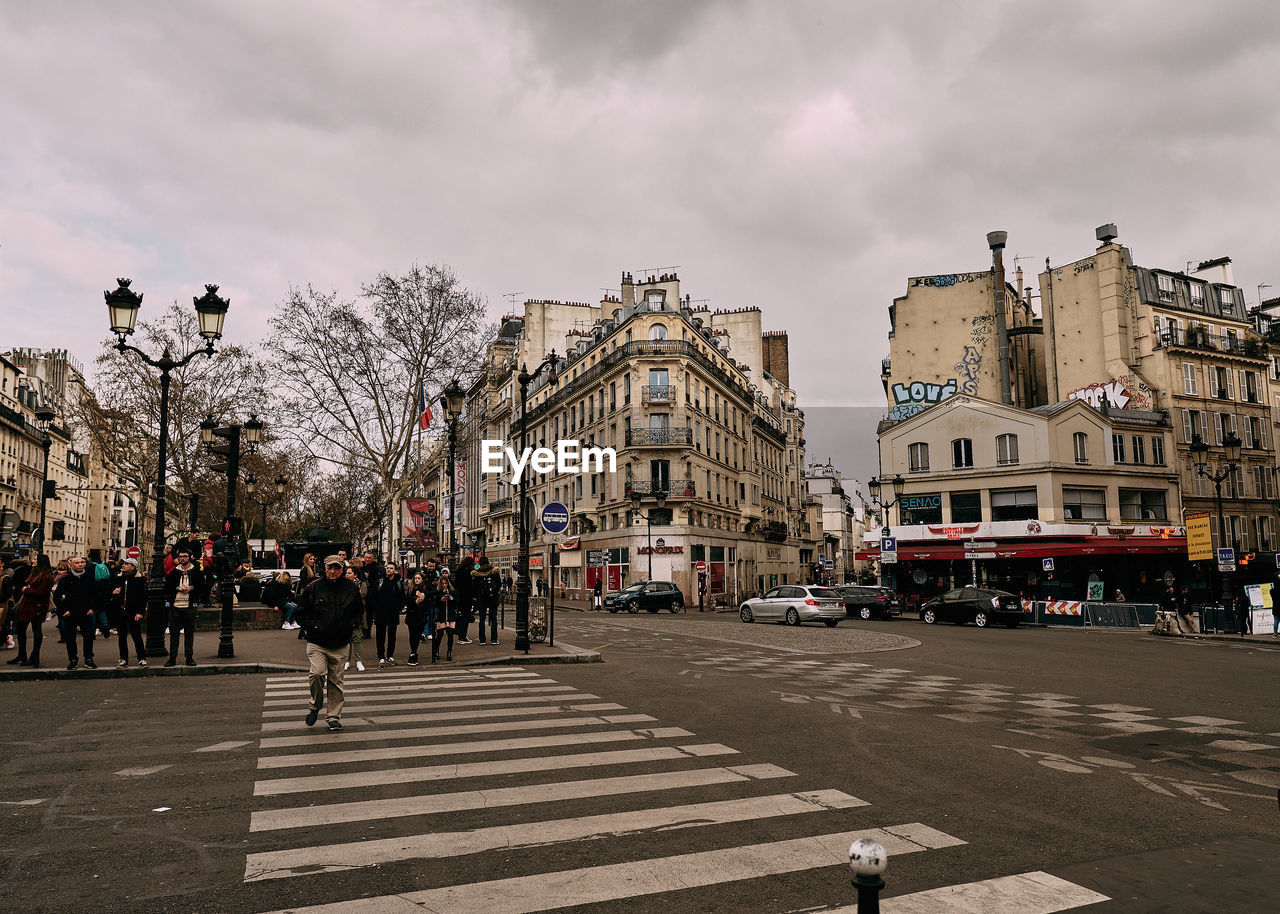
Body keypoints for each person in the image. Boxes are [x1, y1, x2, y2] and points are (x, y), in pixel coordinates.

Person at [293, 555, 363, 731]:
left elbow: (358, 611)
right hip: (318, 641)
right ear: (325, 567)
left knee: (336, 682)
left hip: (340, 641)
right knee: (316, 674)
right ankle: (315, 706)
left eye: (337, 568)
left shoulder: (351, 588)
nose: (333, 571)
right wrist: (312, 626)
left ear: (342, 569)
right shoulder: (313, 587)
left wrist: (352, 625)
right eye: (330, 568)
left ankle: (333, 716)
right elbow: (301, 613)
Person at [52, 555, 100, 670]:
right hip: (70, 612)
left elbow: (96, 595)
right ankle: (73, 659)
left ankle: (88, 659)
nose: (80, 565)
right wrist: (63, 610)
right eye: (77, 563)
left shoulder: (89, 578)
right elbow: (57, 596)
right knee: (70, 637)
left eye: (82, 562)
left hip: (86, 612)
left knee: (88, 636)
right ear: (71, 565)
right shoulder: (66, 579)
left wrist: (93, 608)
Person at [164, 549, 205, 667]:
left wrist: (191, 588)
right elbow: (167, 587)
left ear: (190, 557)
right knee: (174, 634)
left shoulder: (196, 572)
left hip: (189, 606)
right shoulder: (173, 572)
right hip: (175, 606)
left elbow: (201, 587)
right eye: (180, 557)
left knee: (189, 633)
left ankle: (189, 658)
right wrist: (178, 588)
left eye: (184, 556)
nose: (182, 558)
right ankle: (172, 658)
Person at [11, 554, 52, 667]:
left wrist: (27, 590)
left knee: (36, 630)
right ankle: (22, 655)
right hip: (28, 605)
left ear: (40, 561)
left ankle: (34, 656)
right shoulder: (35, 572)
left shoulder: (46, 575)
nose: (33, 560)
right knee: (21, 629)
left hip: (36, 606)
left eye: (35, 559)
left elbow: (43, 592)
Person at [110, 559, 148, 668]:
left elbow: (143, 597)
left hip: (133, 611)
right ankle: (123, 659)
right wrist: (113, 592)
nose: (123, 565)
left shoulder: (140, 579)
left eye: (126, 564)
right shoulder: (118, 577)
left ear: (133, 567)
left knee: (136, 635)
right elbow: (110, 591)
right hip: (120, 611)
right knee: (121, 637)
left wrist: (140, 612)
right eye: (124, 563)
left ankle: (141, 658)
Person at [369, 561, 406, 666]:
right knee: (380, 636)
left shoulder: (398, 583)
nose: (388, 570)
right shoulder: (379, 582)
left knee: (392, 635)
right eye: (387, 568)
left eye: (390, 568)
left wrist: (398, 608)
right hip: (381, 613)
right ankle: (381, 656)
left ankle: (390, 655)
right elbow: (372, 596)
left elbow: (402, 598)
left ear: (395, 571)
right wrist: (377, 608)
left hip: (393, 613)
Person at [471, 554, 501, 645]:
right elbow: (499, 585)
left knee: (482, 620)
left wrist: (476, 597)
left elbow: (474, 587)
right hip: (493, 599)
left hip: (481, 599)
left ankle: (482, 640)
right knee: (494, 619)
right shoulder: (494, 572)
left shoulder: (477, 573)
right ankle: (494, 639)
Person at [343, 565, 368, 672]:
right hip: (345, 615)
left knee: (357, 639)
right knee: (346, 640)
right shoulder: (342, 584)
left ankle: (358, 661)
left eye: (349, 573)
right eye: (346, 573)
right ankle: (346, 661)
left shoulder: (361, 584)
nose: (347, 575)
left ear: (355, 575)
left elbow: (362, 595)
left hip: (357, 615)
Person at [403, 568, 431, 666]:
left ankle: (413, 654)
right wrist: (415, 601)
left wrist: (424, 596)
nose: (417, 580)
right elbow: (407, 601)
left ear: (422, 580)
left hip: (421, 616)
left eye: (419, 578)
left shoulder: (425, 589)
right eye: (415, 578)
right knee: (412, 635)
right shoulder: (411, 589)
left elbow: (430, 599)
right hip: (412, 615)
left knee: (417, 634)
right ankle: (413, 653)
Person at [433, 566, 457, 662]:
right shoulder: (438, 591)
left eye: (445, 583)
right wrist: (440, 600)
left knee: (450, 635)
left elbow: (458, 600)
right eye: (442, 583)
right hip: (442, 616)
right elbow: (434, 603)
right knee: (440, 634)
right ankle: (436, 650)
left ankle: (449, 652)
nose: (444, 585)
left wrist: (452, 599)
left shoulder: (452, 590)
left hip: (450, 615)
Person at [455, 554, 475, 644]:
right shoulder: (467, 574)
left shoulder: (458, 572)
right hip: (466, 598)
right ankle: (462, 637)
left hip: (460, 598)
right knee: (465, 618)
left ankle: (461, 635)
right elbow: (470, 588)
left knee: (461, 617)